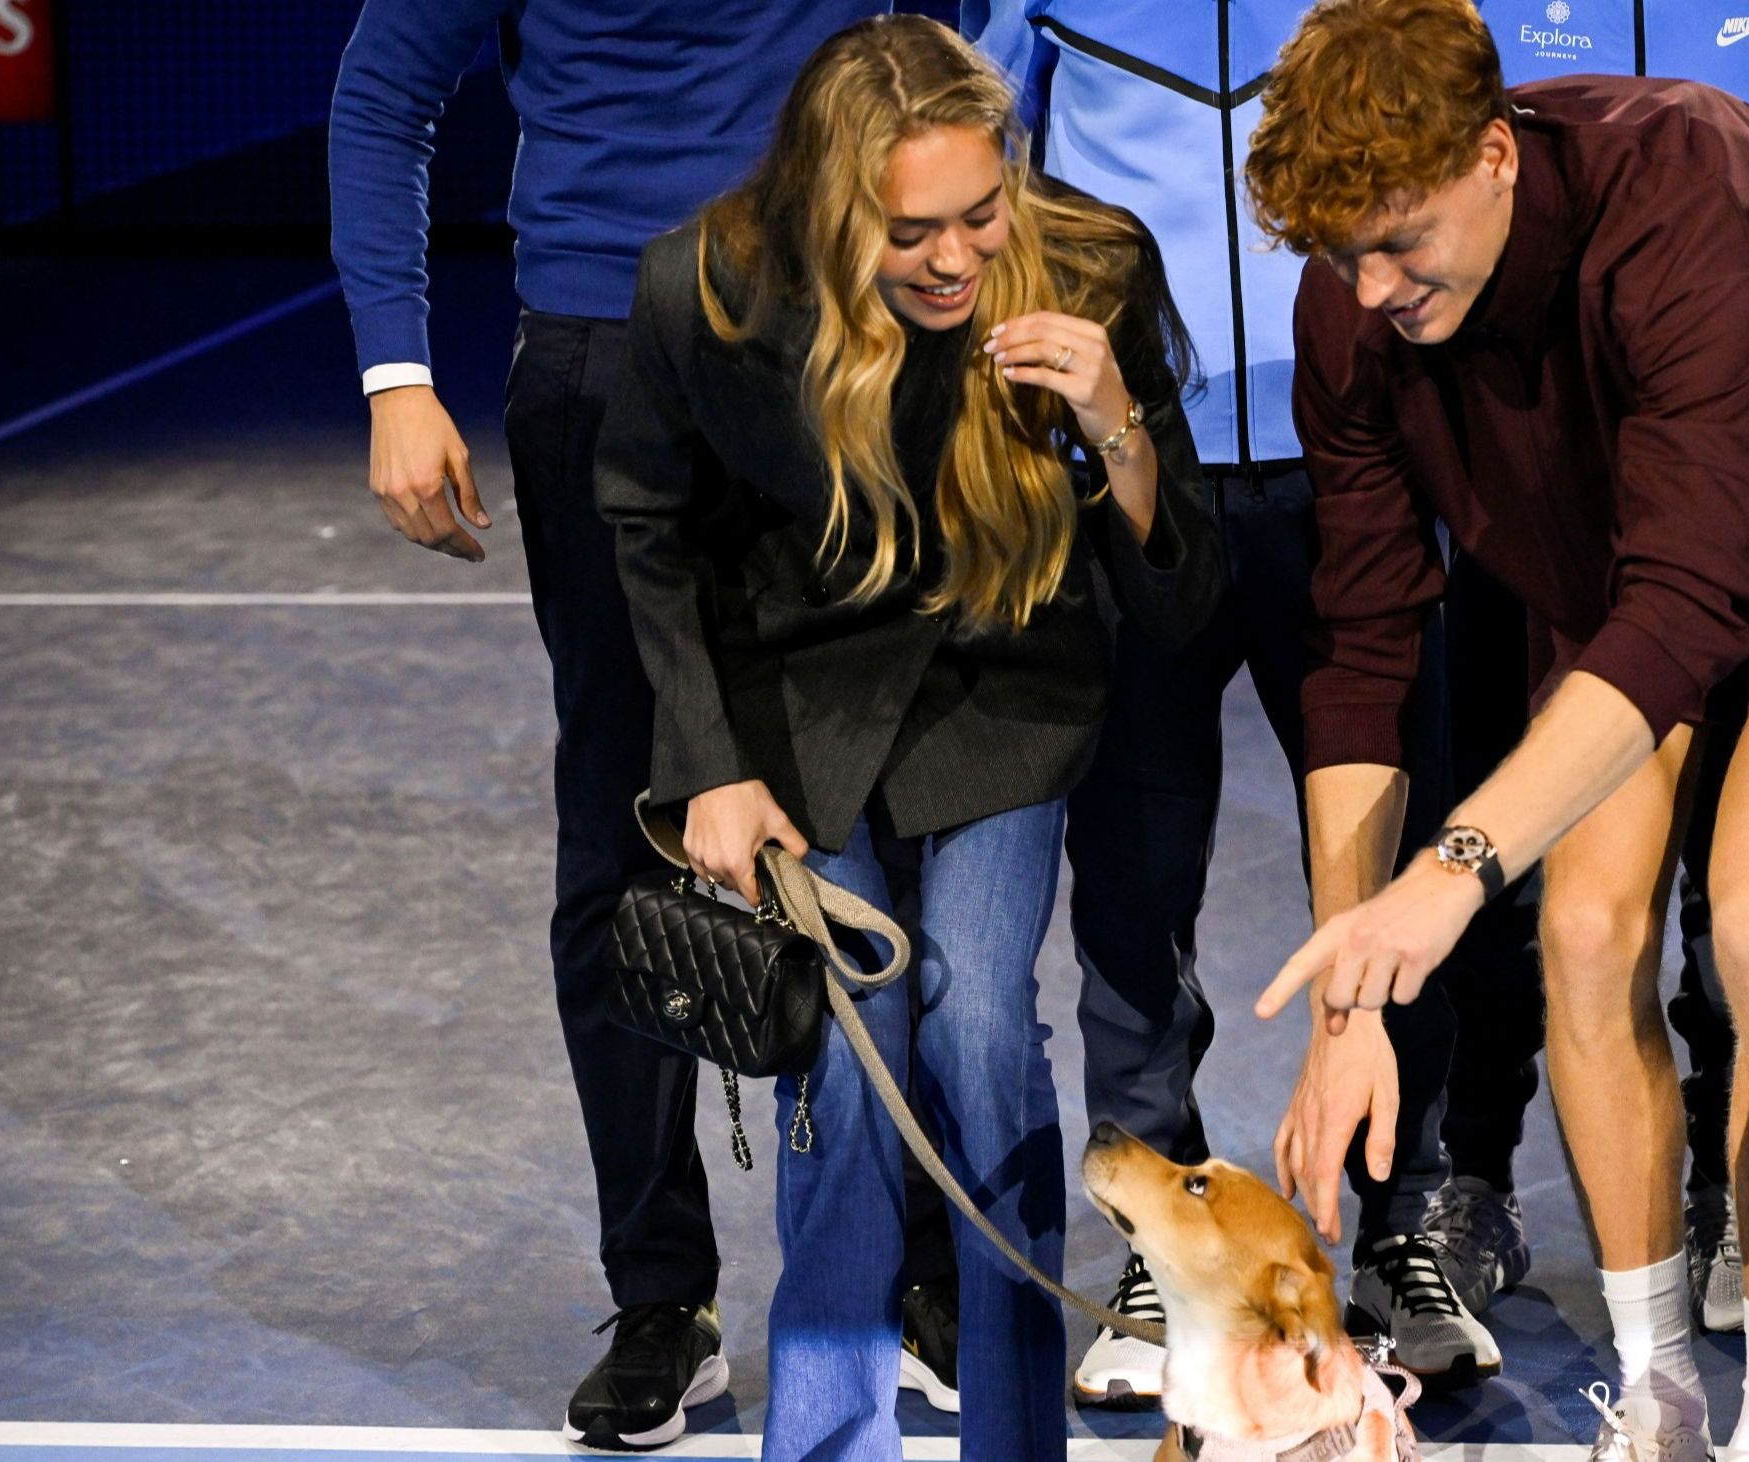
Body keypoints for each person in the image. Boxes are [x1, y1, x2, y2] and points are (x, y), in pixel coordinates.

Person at [1241, 2, 1749, 1456]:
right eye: (1342, 255)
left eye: (1400, 238)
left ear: (1496, 156)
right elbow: (1366, 642)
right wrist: (1351, 1000)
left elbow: (1694, 605)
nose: (1372, 285)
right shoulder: (1359, 305)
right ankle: (1659, 1388)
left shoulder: (1688, 194)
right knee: (1583, 933)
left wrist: (1446, 877)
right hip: (1615, 545)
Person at [591, 18, 1219, 1459]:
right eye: (911, 230)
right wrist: (709, 762)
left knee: (982, 1022)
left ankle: (1014, 1440)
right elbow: (648, 525)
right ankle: (827, 1436)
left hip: (1008, 695)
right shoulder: (710, 286)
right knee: (852, 1048)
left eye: (980, 215)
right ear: (831, 206)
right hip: (796, 711)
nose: (954, 259)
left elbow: (1181, 595)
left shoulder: (1095, 264)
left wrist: (1114, 416)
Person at [327, 0, 896, 1447]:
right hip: (598, 353)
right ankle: (664, 1295)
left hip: (823, 346)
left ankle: (911, 1268)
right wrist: (398, 373)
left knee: (874, 815)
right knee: (625, 829)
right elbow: (385, 93)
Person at [962, 0, 1511, 1400]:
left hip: (1362, 474)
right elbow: (975, 168)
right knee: (1135, 882)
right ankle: (1159, 1237)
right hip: (1136, 481)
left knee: (1402, 856)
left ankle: (1400, 1226)